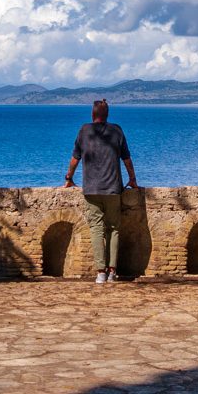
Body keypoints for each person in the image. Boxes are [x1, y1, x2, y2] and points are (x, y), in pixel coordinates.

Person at [63, 98, 138, 284]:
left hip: (91, 190)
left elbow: (75, 159)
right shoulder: (117, 131)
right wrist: (133, 180)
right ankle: (112, 271)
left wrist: (68, 179)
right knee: (113, 229)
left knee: (96, 229)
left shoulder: (84, 130)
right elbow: (127, 159)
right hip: (113, 189)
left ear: (92, 114)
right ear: (107, 115)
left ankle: (100, 273)